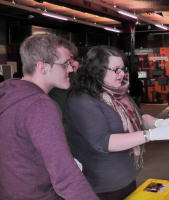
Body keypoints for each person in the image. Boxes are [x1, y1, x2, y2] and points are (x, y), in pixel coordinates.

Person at [65, 45, 169, 200]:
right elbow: (104, 142)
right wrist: (150, 135)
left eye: (123, 68)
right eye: (116, 69)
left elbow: (141, 117)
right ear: (97, 69)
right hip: (103, 187)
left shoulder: (118, 93)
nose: (122, 74)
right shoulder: (82, 100)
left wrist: (160, 123)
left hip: (127, 179)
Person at [0, 34, 98, 200]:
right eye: (65, 63)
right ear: (42, 67)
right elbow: (65, 176)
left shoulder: (8, 93)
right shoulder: (39, 105)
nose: (71, 68)